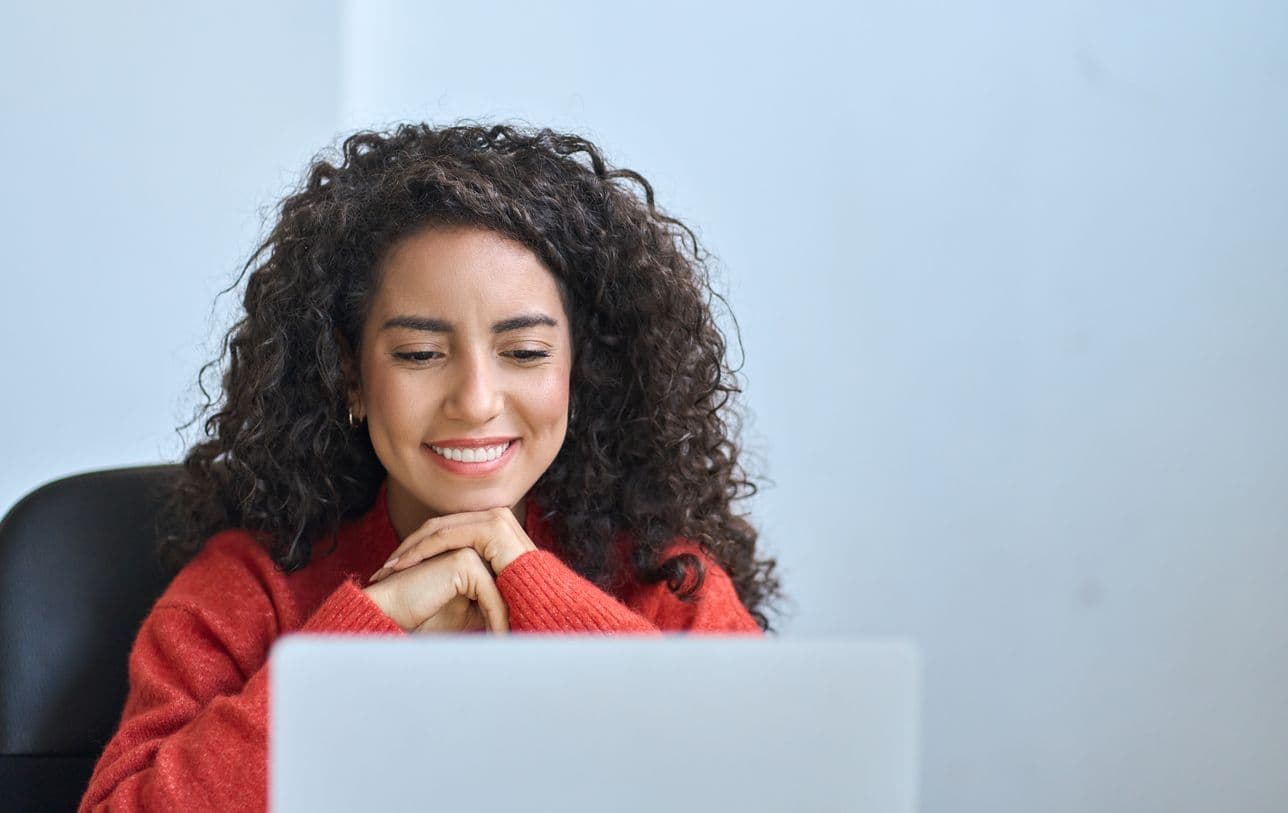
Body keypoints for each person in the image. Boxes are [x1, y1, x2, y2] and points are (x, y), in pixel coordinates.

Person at [79, 123, 781, 811]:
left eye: (526, 353)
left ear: (580, 371)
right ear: (350, 374)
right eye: (419, 354)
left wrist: (532, 582)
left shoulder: (665, 579)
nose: (476, 402)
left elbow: (773, 782)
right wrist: (366, 636)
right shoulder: (249, 588)